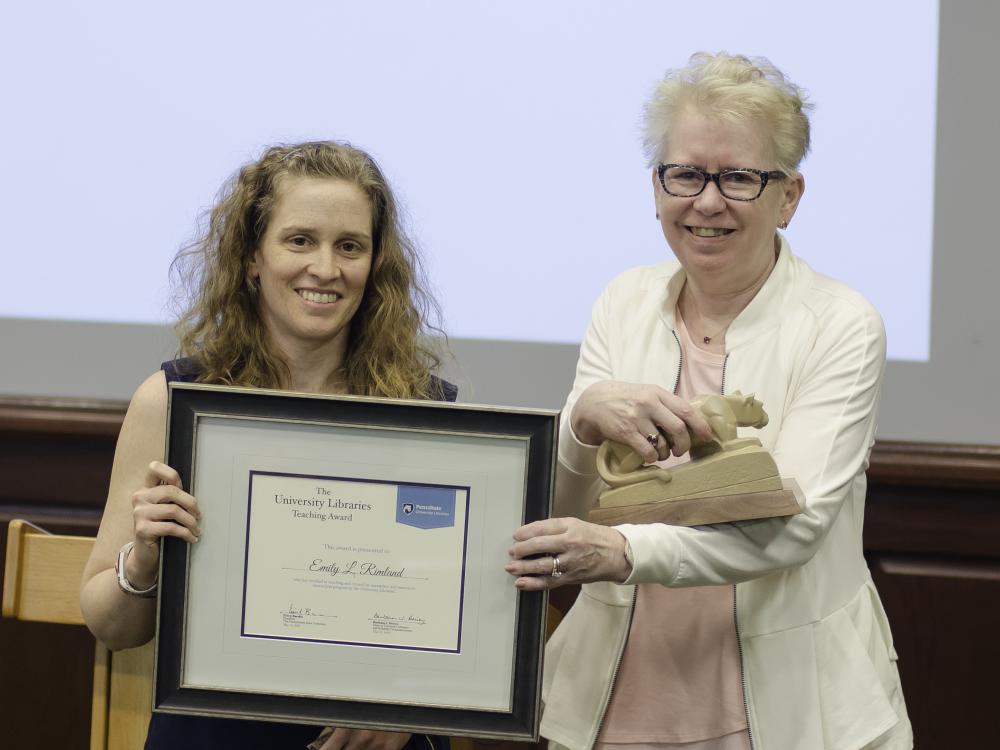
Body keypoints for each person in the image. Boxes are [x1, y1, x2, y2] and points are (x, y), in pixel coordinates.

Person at [505, 53, 912, 750]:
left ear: (790, 196)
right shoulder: (622, 301)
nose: (708, 201)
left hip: (788, 707)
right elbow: (572, 504)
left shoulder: (843, 323)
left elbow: (795, 527)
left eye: (740, 178)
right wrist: (580, 419)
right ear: (657, 186)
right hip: (612, 696)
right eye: (686, 174)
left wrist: (622, 552)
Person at [80, 141, 454, 750]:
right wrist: (145, 560)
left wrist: (412, 699)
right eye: (300, 240)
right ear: (253, 256)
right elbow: (108, 624)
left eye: (350, 246)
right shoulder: (172, 401)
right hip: (210, 731)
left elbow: (458, 618)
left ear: (375, 264)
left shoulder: (427, 415)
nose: (326, 268)